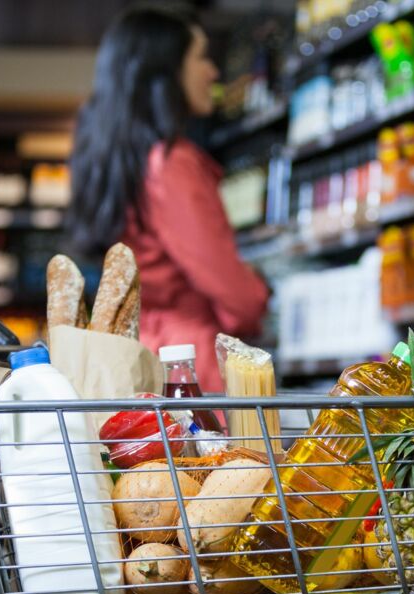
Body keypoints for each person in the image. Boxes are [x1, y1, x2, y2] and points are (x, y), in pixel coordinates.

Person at [68, 3, 269, 396]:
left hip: (135, 353)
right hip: (187, 363)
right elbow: (234, 292)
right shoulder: (171, 164)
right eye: (200, 57)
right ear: (163, 72)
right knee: (206, 457)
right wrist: (259, 290)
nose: (213, 71)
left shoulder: (117, 161)